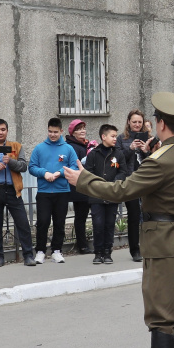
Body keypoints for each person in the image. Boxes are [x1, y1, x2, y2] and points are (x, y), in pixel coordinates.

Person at [63, 92, 174, 348]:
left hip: (166, 241)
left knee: (161, 316)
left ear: (161, 124)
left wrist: (82, 179)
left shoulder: (161, 160)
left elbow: (120, 191)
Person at [0, 119, 35, 267]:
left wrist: (10, 162)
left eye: (3, 129)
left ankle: (28, 256)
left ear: (7, 131)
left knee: (23, 224)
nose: (0, 132)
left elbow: (23, 166)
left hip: (13, 190)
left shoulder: (16, 146)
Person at [29, 117, 77, 264]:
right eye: (50, 131)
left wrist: (59, 173)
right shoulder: (39, 148)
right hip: (44, 192)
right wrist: (44, 173)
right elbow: (31, 167)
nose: (53, 134)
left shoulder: (68, 148)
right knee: (43, 222)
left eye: (56, 132)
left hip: (62, 191)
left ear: (61, 131)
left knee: (59, 222)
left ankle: (57, 250)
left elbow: (75, 167)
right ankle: (40, 251)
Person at [83, 123, 128, 264]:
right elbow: (88, 172)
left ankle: (108, 252)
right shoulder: (93, 154)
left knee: (109, 224)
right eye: (112, 136)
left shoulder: (118, 154)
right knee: (98, 224)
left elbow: (123, 171)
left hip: (112, 194)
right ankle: (98, 253)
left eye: (116, 136)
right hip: (96, 195)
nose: (115, 138)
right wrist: (98, 184)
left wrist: (115, 182)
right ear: (103, 137)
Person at [118, 109, 153, 262]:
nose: (137, 124)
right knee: (133, 216)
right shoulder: (121, 139)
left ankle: (149, 247)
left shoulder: (149, 138)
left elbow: (155, 161)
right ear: (128, 122)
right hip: (131, 182)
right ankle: (135, 250)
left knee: (149, 216)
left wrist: (146, 151)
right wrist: (130, 149)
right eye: (134, 122)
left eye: (139, 122)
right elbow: (117, 161)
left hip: (146, 182)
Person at [66, 119, 94, 255]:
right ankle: (82, 245)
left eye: (83, 128)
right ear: (72, 132)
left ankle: (87, 243)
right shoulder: (71, 146)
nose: (82, 131)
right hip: (79, 186)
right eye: (78, 129)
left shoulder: (87, 145)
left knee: (90, 216)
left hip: (89, 184)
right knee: (81, 217)